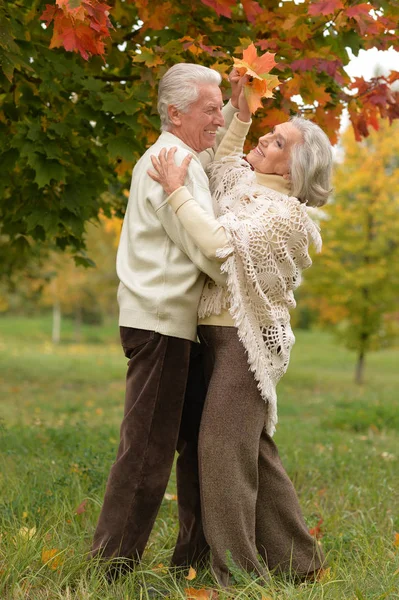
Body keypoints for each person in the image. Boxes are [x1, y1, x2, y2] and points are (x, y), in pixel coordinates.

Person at [148, 86, 333, 586]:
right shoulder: (248, 188)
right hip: (212, 335)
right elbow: (226, 162)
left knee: (221, 454)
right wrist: (243, 117)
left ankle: (234, 578)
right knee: (251, 452)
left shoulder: (284, 217)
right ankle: (301, 562)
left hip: (245, 344)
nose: (265, 141)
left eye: (277, 142)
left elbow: (216, 243)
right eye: (270, 133)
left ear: (293, 171)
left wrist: (175, 189)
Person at [91, 63, 244, 574]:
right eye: (209, 109)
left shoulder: (184, 156)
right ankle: (110, 567)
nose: (217, 120)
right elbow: (211, 255)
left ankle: (193, 560)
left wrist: (236, 106)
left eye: (218, 108)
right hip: (160, 326)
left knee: (199, 445)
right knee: (146, 454)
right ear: (175, 113)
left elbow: (212, 150)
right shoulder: (169, 162)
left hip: (175, 327)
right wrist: (250, 271)